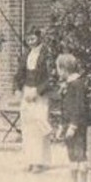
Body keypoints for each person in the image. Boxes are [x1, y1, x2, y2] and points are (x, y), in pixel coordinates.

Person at [15, 28, 53, 173]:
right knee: (27, 127)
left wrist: (38, 91)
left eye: (33, 38)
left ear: (39, 38)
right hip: (27, 92)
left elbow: (51, 77)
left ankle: (40, 161)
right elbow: (19, 73)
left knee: (39, 126)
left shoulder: (46, 55)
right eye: (28, 39)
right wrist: (19, 89)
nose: (31, 41)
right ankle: (29, 160)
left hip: (40, 94)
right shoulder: (26, 55)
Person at [54, 53, 91, 182]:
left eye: (58, 69)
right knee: (71, 153)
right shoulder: (69, 84)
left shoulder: (78, 84)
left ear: (64, 69)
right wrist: (61, 126)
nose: (58, 72)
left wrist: (73, 125)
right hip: (68, 124)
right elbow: (65, 108)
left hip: (78, 124)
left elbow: (79, 107)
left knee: (80, 153)